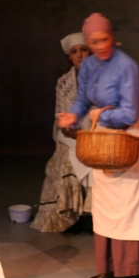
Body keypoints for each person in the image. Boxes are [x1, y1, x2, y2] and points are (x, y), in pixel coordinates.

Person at [56, 13, 139, 278]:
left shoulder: (126, 67)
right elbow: (83, 98)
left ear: (112, 38)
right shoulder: (89, 65)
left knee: (135, 203)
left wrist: (101, 116)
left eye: (104, 40)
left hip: (134, 135)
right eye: (94, 42)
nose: (100, 46)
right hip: (107, 136)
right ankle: (114, 265)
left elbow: (129, 113)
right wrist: (73, 115)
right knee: (107, 202)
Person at [32, 32, 94, 232]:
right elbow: (61, 112)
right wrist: (69, 129)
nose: (79, 55)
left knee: (97, 161)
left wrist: (90, 130)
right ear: (69, 56)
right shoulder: (64, 82)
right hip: (72, 136)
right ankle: (72, 217)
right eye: (74, 52)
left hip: (97, 134)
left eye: (83, 50)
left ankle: (94, 216)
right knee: (67, 159)